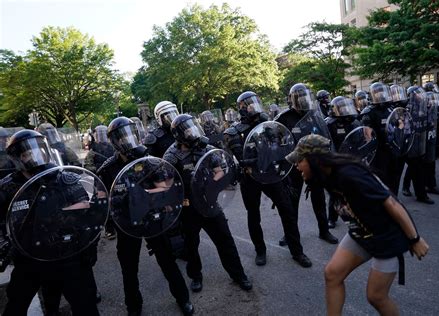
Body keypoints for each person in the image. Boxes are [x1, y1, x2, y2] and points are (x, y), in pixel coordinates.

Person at [285, 134, 429, 315]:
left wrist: (414, 238)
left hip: (385, 238)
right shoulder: (325, 175)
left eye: (300, 160)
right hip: (360, 233)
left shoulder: (349, 174)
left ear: (315, 160)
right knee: (332, 274)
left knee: (376, 296)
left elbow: (391, 202)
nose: (296, 165)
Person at [97, 117, 193, 316]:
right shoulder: (107, 169)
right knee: (129, 268)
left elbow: (167, 183)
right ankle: (134, 307)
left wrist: (153, 192)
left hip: (152, 217)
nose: (127, 140)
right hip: (127, 223)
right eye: (121, 137)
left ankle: (183, 298)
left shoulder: (148, 160)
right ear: (114, 141)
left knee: (167, 261)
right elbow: (101, 200)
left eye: (130, 135)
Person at [0, 129, 100, 316]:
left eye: (36, 150)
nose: (33, 157)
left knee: (86, 306)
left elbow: (89, 213)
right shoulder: (8, 186)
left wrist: (89, 246)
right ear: (17, 158)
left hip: (67, 253)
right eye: (26, 153)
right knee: (15, 306)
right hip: (29, 257)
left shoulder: (64, 179)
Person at [163, 114, 252, 293]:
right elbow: (167, 184)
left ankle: (238, 274)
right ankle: (195, 276)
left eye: (193, 126)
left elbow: (219, 171)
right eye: (188, 129)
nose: (193, 132)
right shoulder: (171, 155)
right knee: (191, 245)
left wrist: (210, 182)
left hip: (209, 203)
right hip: (188, 207)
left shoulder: (206, 148)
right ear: (179, 134)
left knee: (225, 240)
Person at [224, 91, 312, 268]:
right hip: (251, 178)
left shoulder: (270, 125)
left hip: (272, 174)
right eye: (248, 105)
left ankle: (297, 251)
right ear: (240, 108)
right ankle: (260, 250)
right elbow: (242, 159)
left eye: (254, 103)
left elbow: (282, 146)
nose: (252, 107)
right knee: (253, 214)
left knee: (287, 210)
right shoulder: (233, 132)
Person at [275, 83, 338, 244]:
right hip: (294, 165)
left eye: (305, 96)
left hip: (314, 164)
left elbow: (325, 136)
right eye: (299, 97)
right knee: (292, 203)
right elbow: (276, 142)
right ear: (292, 99)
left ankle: (324, 231)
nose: (302, 100)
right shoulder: (283, 118)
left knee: (318, 199)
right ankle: (289, 234)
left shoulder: (314, 115)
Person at [325, 96, 361, 228]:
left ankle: (355, 216)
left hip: (350, 160)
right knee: (335, 193)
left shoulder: (353, 122)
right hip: (335, 161)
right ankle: (332, 218)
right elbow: (327, 143)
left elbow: (359, 140)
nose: (345, 110)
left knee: (353, 190)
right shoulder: (329, 123)